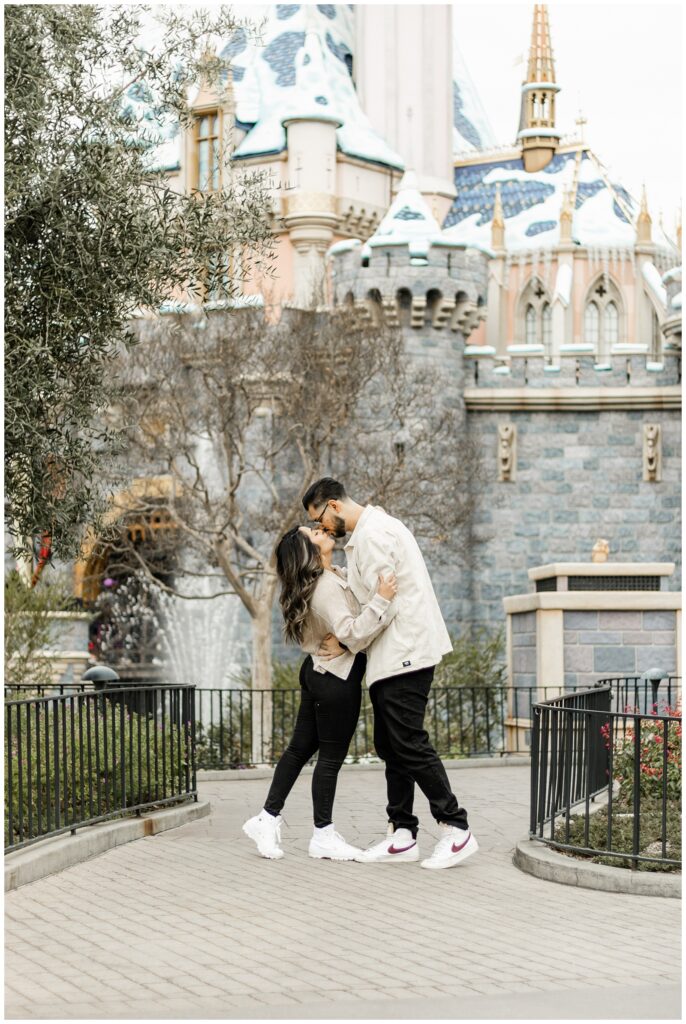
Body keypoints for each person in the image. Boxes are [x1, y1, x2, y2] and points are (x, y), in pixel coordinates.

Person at [303, 477, 478, 871]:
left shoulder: (374, 534)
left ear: (333, 505)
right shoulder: (371, 530)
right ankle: (402, 833)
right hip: (392, 656)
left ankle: (456, 827)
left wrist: (347, 642)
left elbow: (386, 601)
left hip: (406, 651)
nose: (322, 529)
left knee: (408, 740)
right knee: (391, 743)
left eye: (320, 519)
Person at [242, 524, 397, 861]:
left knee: (299, 750)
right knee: (329, 759)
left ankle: (266, 819)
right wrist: (382, 600)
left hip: (319, 673)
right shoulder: (325, 586)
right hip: (336, 680)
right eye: (312, 534)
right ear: (308, 552)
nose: (320, 530)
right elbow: (353, 633)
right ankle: (323, 834)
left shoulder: (327, 577)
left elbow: (341, 628)